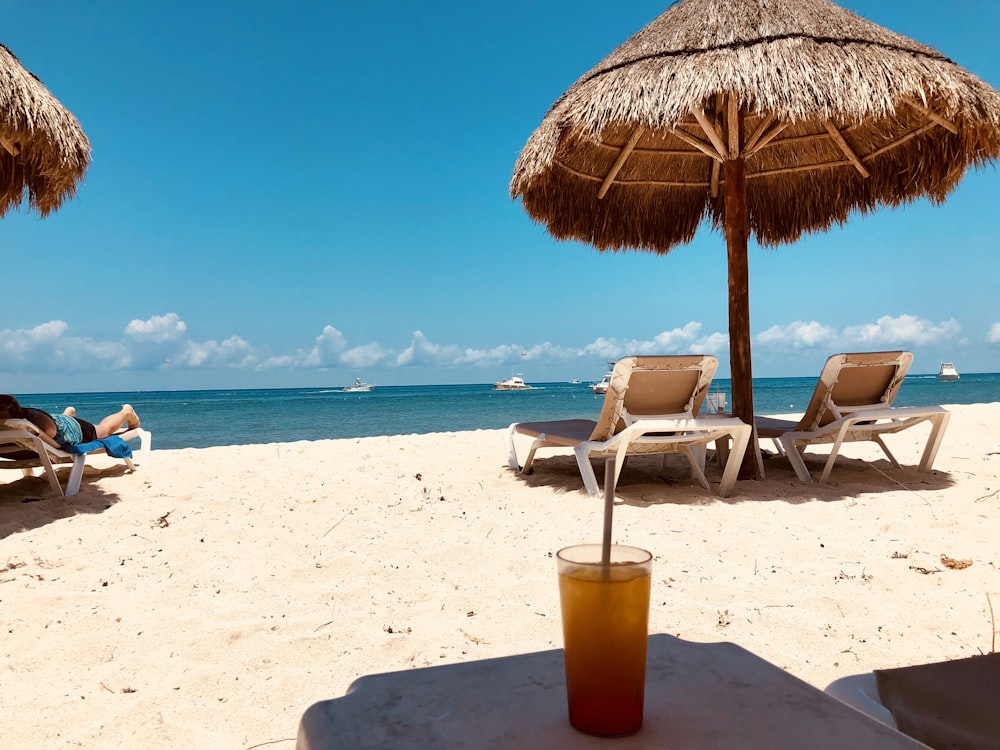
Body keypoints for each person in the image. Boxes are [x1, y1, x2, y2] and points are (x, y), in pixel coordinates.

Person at [0, 395, 140, 447]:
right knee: (59, 421)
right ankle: (68, 414)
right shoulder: (18, 424)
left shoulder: (29, 419)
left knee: (103, 430)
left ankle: (125, 412)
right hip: (56, 421)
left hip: (71, 429)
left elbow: (50, 430)